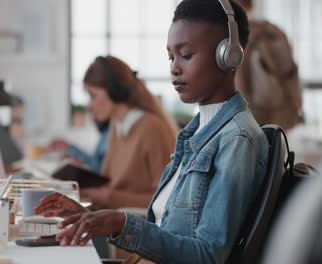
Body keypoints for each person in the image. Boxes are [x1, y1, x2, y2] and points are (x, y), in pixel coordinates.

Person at [35, 1, 269, 263]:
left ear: (228, 56)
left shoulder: (237, 140)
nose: (174, 68)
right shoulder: (195, 133)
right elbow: (166, 226)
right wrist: (95, 217)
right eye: (171, 57)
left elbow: (208, 256)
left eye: (186, 55)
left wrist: (122, 222)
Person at [56, 55, 178, 210]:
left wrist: (111, 198)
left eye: (93, 95)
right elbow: (110, 182)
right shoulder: (116, 125)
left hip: (138, 226)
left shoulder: (151, 127)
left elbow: (168, 198)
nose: (90, 105)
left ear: (115, 91)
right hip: (114, 217)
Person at [234, 0, 303, 130]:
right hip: (282, 110)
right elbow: (291, 72)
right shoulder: (275, 31)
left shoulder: (238, 34)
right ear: (250, 5)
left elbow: (239, 80)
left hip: (253, 113)